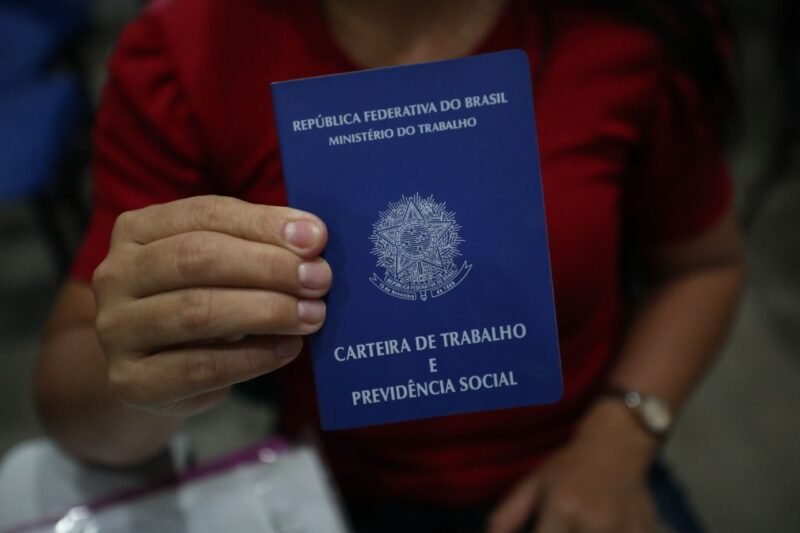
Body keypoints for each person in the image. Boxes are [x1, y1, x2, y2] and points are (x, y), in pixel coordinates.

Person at [34, 0, 744, 531]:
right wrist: (152, 369)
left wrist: (620, 439)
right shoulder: (189, 50)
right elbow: (74, 401)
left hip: (586, 453)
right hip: (336, 486)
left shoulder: (632, 27)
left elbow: (703, 265)